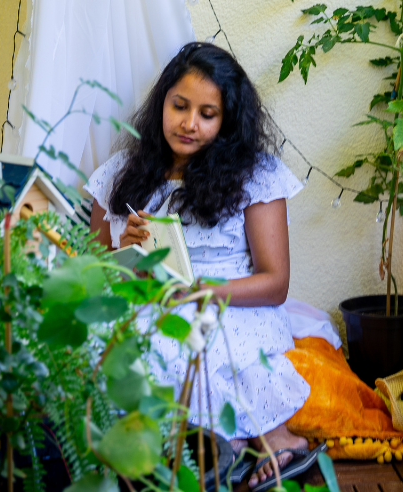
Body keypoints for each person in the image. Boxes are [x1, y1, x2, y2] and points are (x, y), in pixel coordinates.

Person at [85, 41, 316, 488]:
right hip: (149, 301)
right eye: (180, 106)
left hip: (231, 304)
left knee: (200, 343)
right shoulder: (120, 173)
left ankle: (268, 439)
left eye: (207, 114)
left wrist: (203, 292)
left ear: (227, 122)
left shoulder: (254, 175)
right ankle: (194, 453)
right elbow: (95, 276)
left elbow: (275, 283)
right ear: (162, 104)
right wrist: (124, 253)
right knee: (115, 347)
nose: (189, 124)